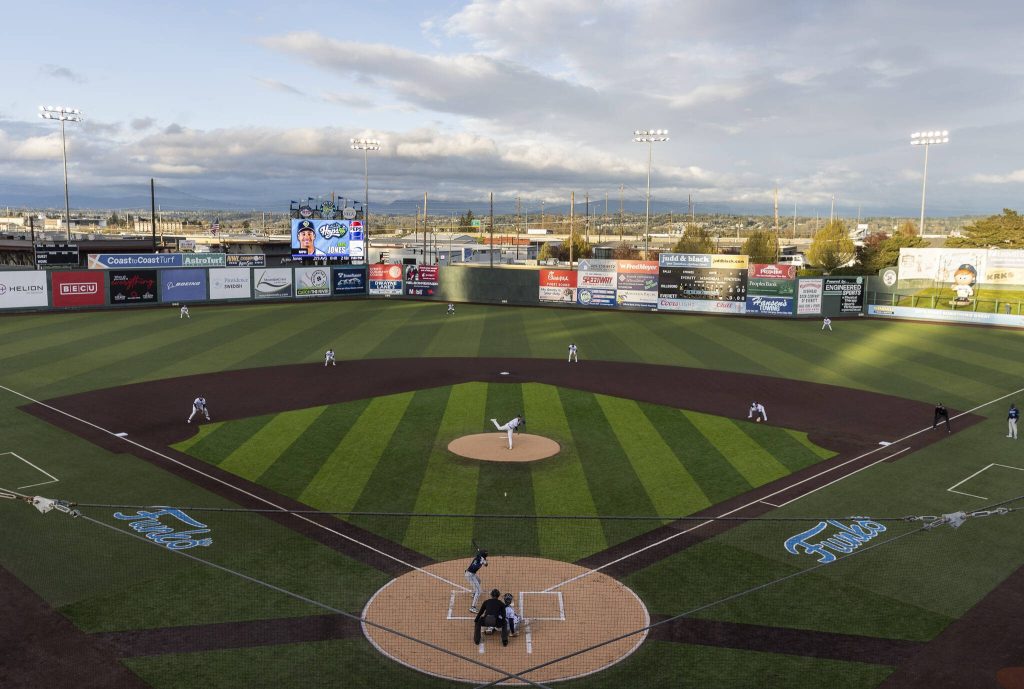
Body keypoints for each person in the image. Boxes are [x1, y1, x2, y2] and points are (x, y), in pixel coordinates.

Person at [465, 548, 488, 612]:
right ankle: (473, 607)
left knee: (479, 581)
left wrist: (484, 562)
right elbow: (474, 567)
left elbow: (486, 565)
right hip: (470, 575)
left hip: (472, 574)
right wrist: (481, 563)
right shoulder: (478, 559)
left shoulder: (482, 558)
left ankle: (473, 593)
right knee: (479, 591)